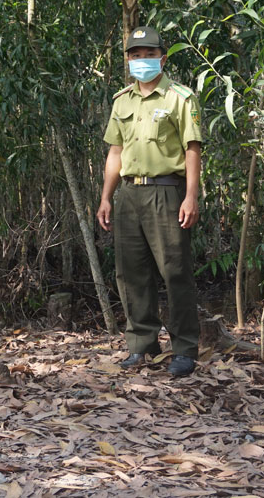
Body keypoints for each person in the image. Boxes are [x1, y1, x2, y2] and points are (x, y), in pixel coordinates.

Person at [96, 26, 203, 377]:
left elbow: (192, 149)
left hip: (166, 191)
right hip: (129, 194)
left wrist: (190, 195)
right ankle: (142, 344)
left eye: (149, 54)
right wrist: (106, 197)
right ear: (128, 60)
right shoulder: (122, 100)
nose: (142, 61)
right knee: (131, 273)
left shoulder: (179, 97)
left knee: (175, 272)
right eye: (135, 55)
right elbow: (116, 151)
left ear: (163, 57)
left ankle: (185, 348)